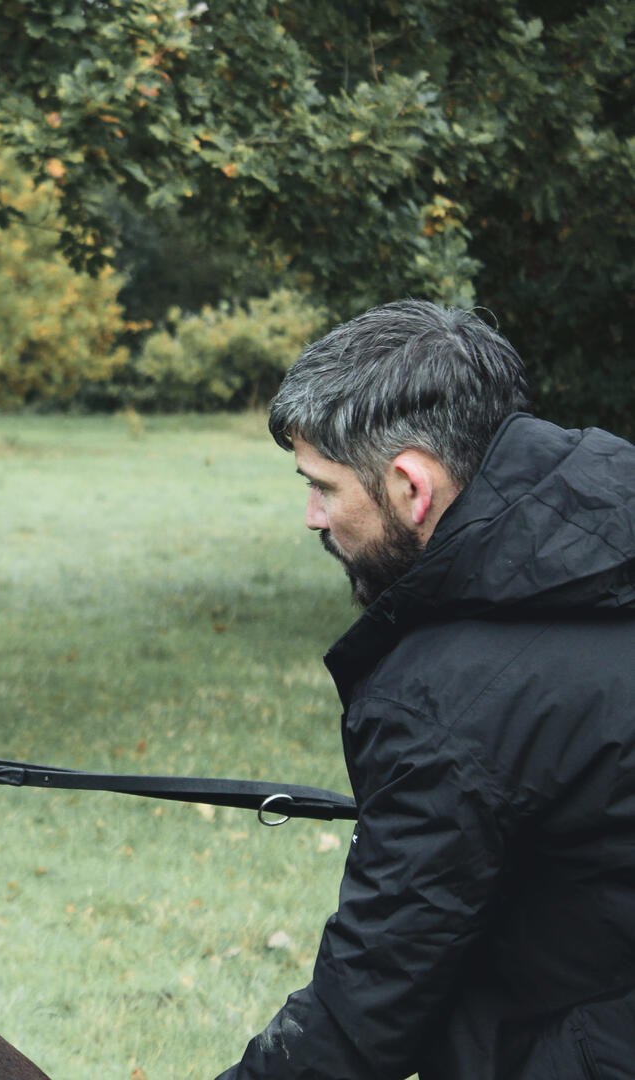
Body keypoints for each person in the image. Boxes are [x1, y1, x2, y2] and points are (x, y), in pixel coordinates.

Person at [219, 300, 635, 1078]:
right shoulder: (611, 513)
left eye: (324, 486)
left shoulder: (445, 702)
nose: (312, 517)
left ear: (412, 486)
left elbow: (363, 1015)